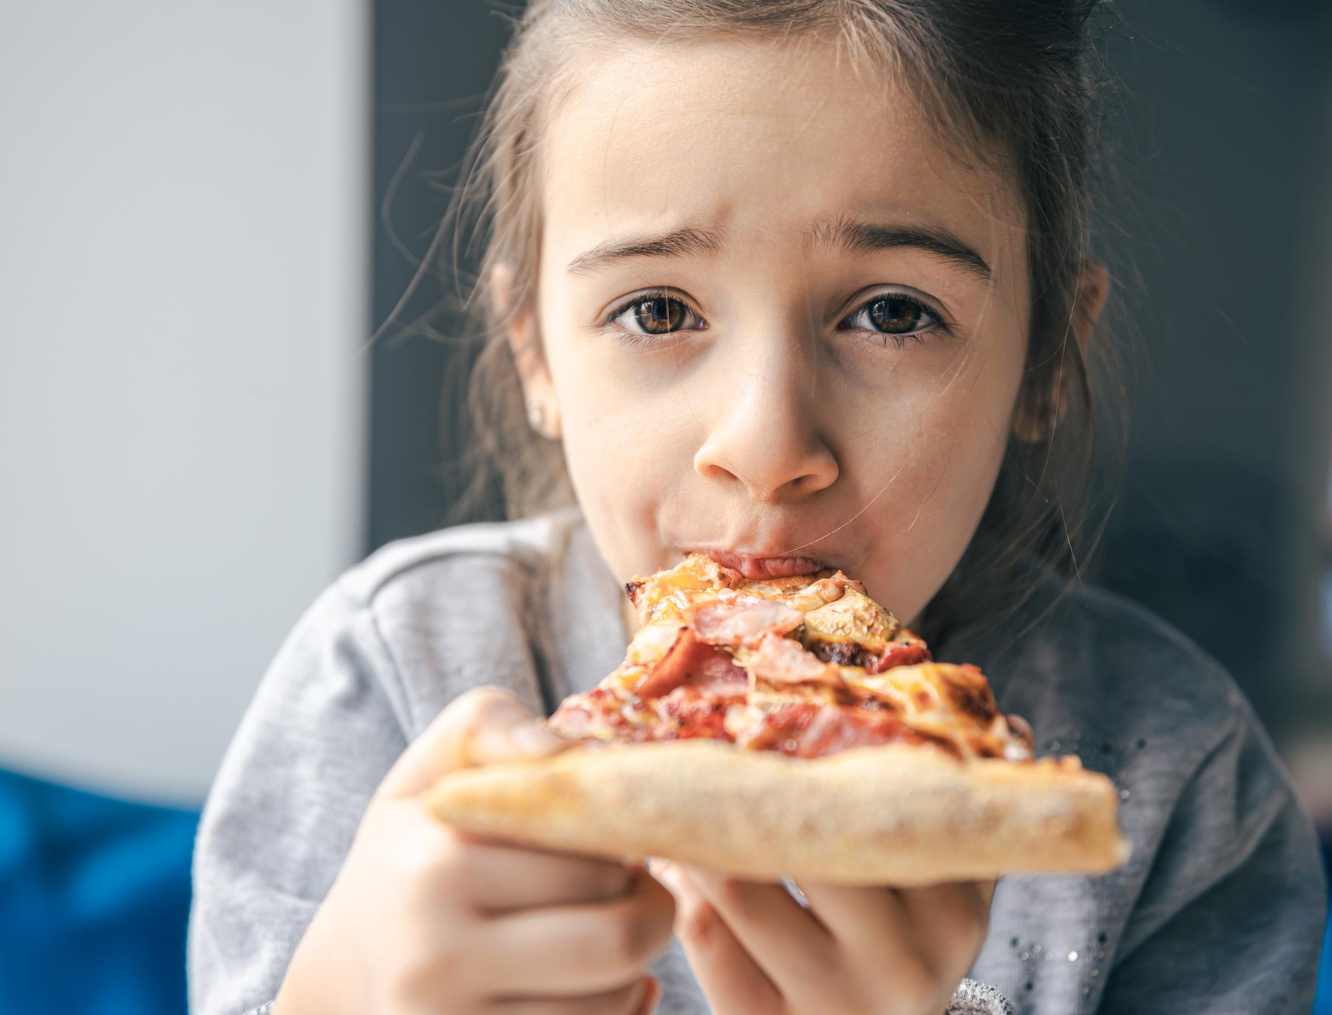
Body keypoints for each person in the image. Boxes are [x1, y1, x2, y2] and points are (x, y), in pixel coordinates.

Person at [187, 2, 1328, 1012]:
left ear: (1043, 366)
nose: (768, 446)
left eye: (890, 313)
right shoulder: (388, 676)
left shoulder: (1182, 789)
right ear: (533, 350)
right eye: (655, 310)